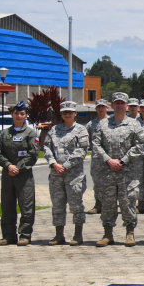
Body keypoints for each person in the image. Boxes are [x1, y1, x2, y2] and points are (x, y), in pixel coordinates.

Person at [92, 92, 143, 246]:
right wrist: (109, 160)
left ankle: (129, 233)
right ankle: (108, 234)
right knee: (107, 204)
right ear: (112, 105)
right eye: (117, 103)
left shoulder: (134, 125)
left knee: (128, 202)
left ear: (127, 106)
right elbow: (95, 144)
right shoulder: (103, 124)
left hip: (127, 172)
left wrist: (122, 161)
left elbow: (139, 145)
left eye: (122, 103)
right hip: (107, 172)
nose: (119, 105)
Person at [43, 101, 89, 246]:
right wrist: (54, 164)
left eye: (70, 112)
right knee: (57, 205)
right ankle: (58, 235)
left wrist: (66, 165)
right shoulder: (54, 130)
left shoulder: (81, 130)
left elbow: (81, 150)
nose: (67, 115)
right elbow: (46, 147)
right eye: (64, 113)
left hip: (73, 175)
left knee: (76, 205)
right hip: (56, 175)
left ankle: (77, 234)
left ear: (75, 113)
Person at [0, 101, 40, 246]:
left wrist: (18, 168)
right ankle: (8, 235)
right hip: (8, 175)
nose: (19, 116)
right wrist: (9, 166)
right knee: (7, 205)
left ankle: (24, 235)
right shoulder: (5, 133)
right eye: (16, 113)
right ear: (12, 114)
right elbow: (0, 152)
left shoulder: (30, 133)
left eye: (22, 113)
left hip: (24, 175)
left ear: (25, 115)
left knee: (26, 206)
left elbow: (33, 154)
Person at [87, 100, 110, 214]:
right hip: (96, 158)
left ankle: (110, 204)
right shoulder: (91, 124)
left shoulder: (111, 122)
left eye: (102, 106)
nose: (100, 109)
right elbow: (85, 141)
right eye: (98, 107)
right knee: (97, 182)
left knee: (111, 182)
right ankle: (98, 204)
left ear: (107, 108)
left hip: (110, 158)